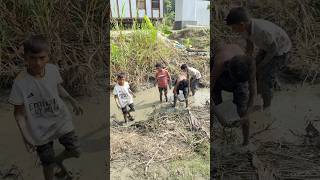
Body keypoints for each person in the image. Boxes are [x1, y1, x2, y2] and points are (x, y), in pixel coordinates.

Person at [8, 35, 83, 180]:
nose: (37, 63)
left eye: (42, 58)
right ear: (25, 58)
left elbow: (57, 87)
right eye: (32, 58)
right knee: (47, 163)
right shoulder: (20, 82)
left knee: (75, 150)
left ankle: (58, 161)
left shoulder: (53, 70)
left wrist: (72, 100)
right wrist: (26, 136)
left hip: (60, 119)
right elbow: (18, 114)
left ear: (48, 56)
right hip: (39, 128)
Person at [226, 7, 291, 112]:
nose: (233, 30)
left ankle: (266, 107)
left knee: (265, 78)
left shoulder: (262, 30)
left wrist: (261, 65)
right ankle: (258, 97)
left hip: (280, 50)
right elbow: (250, 44)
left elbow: (273, 49)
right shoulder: (244, 28)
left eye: (233, 27)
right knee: (254, 71)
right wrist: (247, 59)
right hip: (266, 46)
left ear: (241, 24)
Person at [212, 44, 256, 146]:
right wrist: (219, 116)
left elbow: (253, 93)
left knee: (242, 108)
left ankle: (246, 142)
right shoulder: (219, 64)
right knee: (216, 102)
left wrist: (246, 115)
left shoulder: (250, 66)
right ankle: (212, 137)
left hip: (240, 72)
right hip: (220, 73)